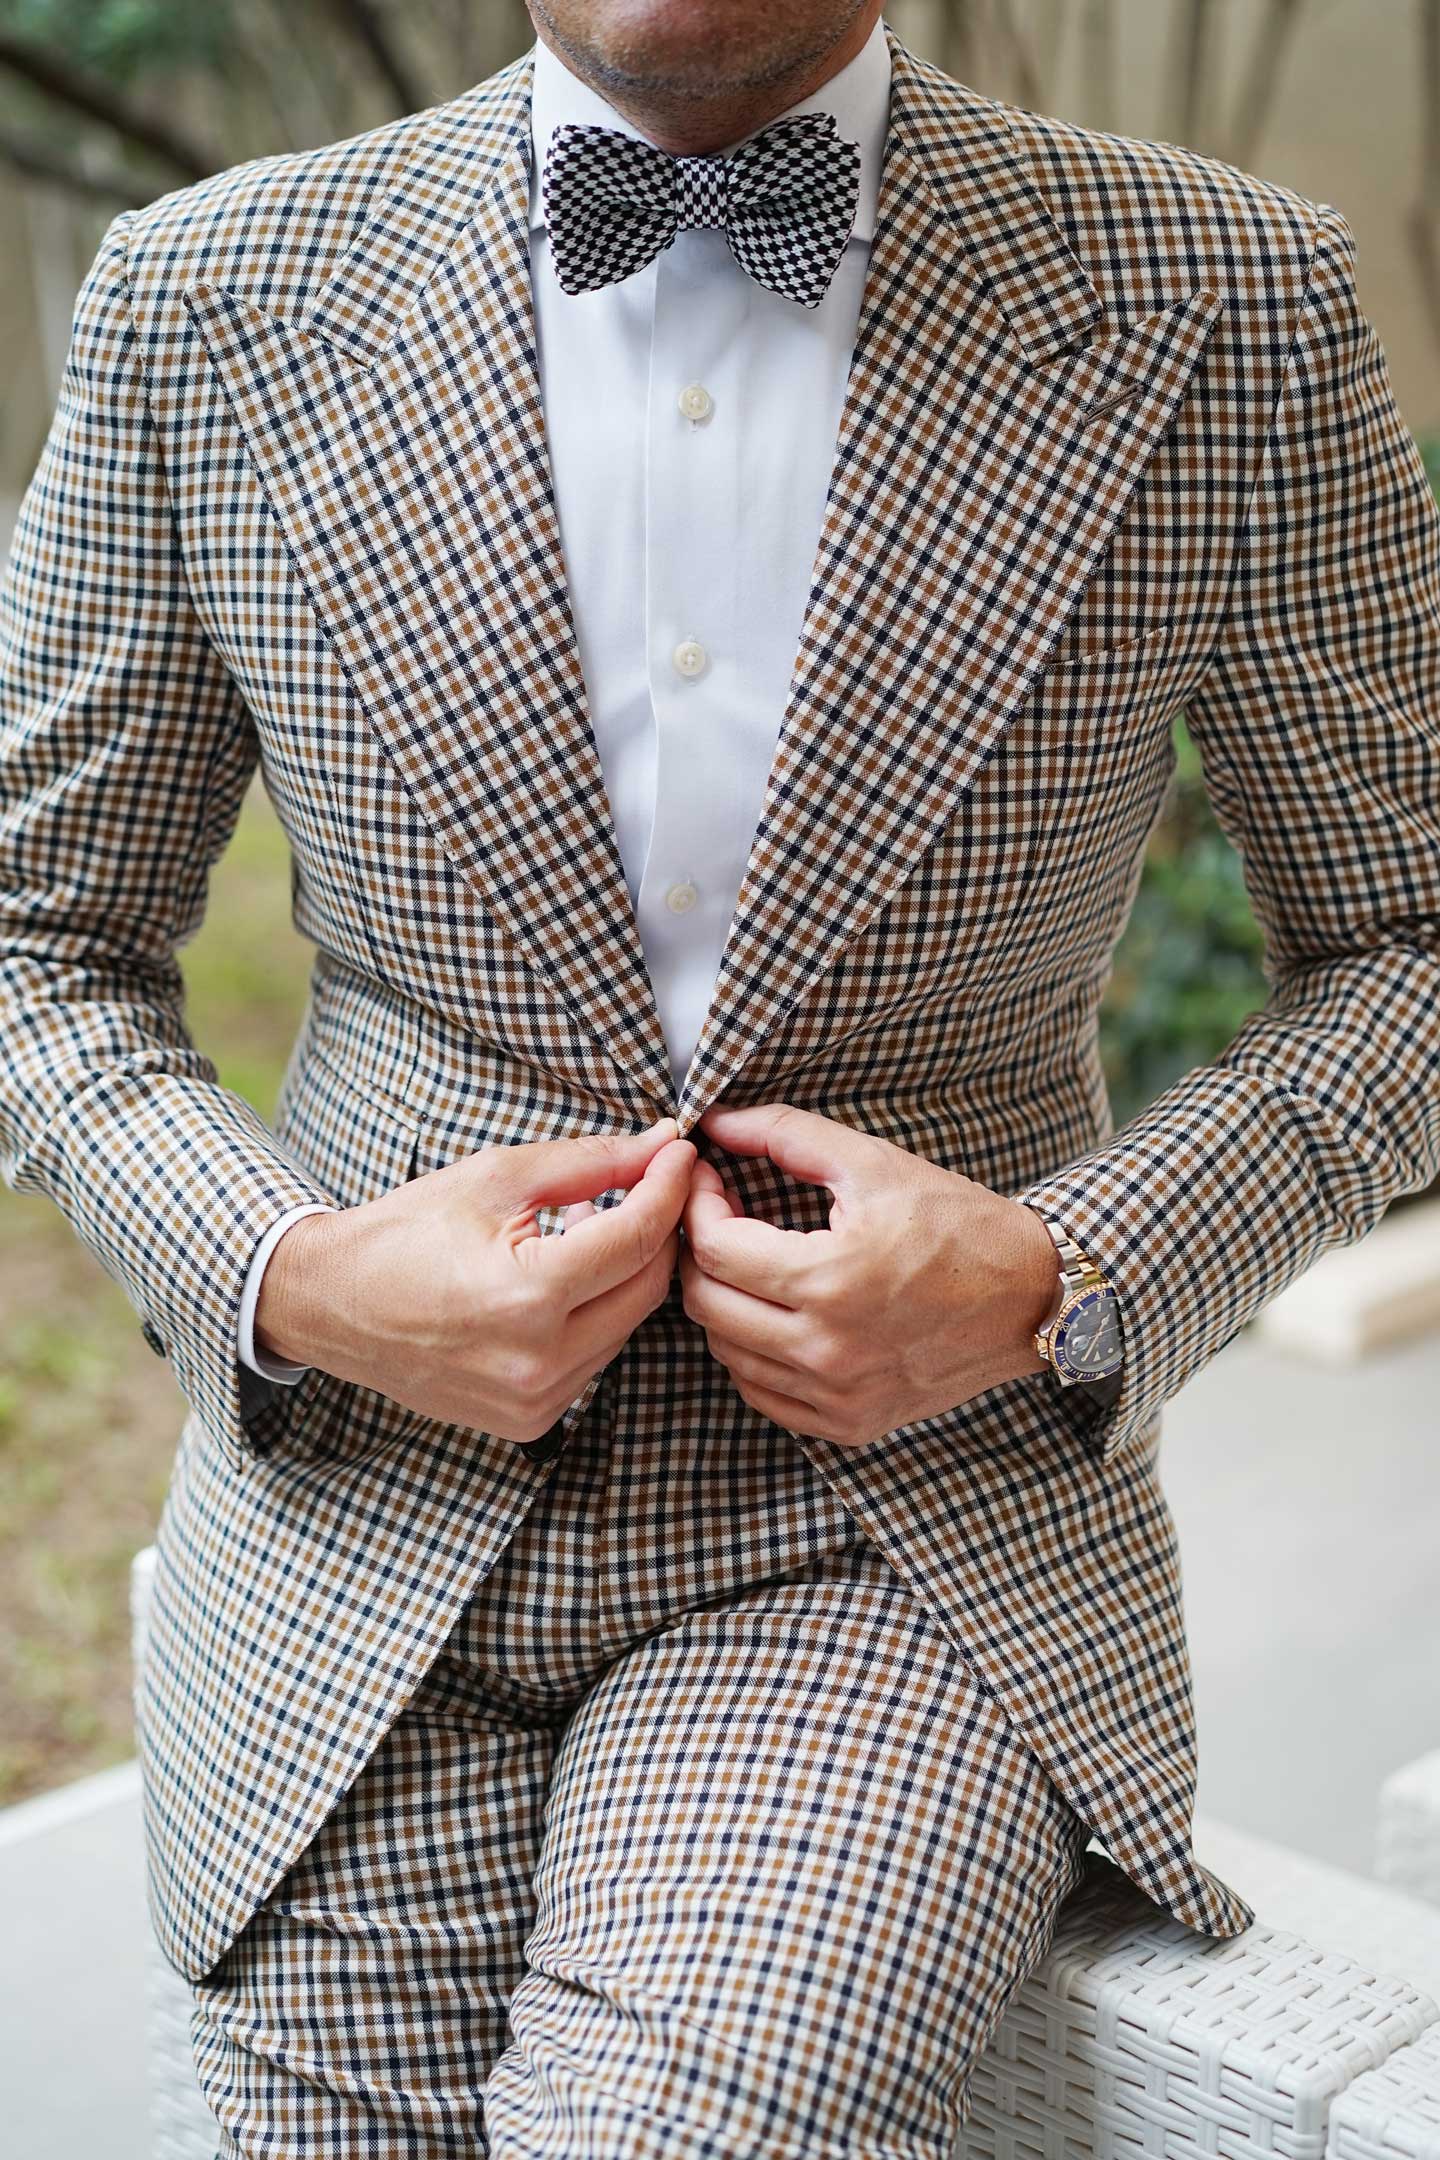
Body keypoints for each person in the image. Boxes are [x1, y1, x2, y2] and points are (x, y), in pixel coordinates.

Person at [2, 0, 1437, 2150]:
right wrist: (287, 1275)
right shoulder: (208, 294)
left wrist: (1066, 1270)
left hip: (897, 1544)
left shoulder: (1228, 297)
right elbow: (37, 933)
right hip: (350, 1542)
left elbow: (1414, 937)